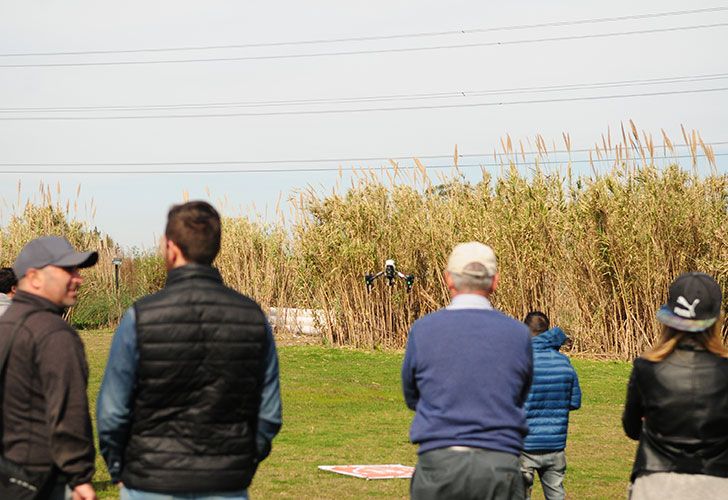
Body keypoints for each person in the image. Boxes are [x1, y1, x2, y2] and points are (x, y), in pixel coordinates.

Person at [97, 200, 282, 500]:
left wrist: (119, 468)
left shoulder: (140, 317)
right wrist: (241, 461)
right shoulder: (252, 316)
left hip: (150, 482)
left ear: (171, 248)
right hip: (225, 483)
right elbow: (269, 413)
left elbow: (113, 412)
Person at [402, 241, 533, 500]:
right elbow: (520, 393)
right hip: (499, 464)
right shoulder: (518, 334)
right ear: (494, 282)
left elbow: (412, 395)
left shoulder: (424, 330)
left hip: (441, 461)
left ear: (449, 279)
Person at [0, 236, 98, 500]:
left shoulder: (7, 323)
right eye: (68, 270)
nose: (78, 278)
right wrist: (81, 477)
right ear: (34, 277)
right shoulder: (54, 334)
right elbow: (68, 412)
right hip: (40, 478)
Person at [623, 272, 728, 499]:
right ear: (715, 319)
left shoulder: (646, 368)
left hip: (656, 483)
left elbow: (631, 428)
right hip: (716, 483)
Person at [520, 311, 581, 500]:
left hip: (524, 445)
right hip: (555, 445)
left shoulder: (519, 363)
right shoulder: (564, 363)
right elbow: (574, 401)